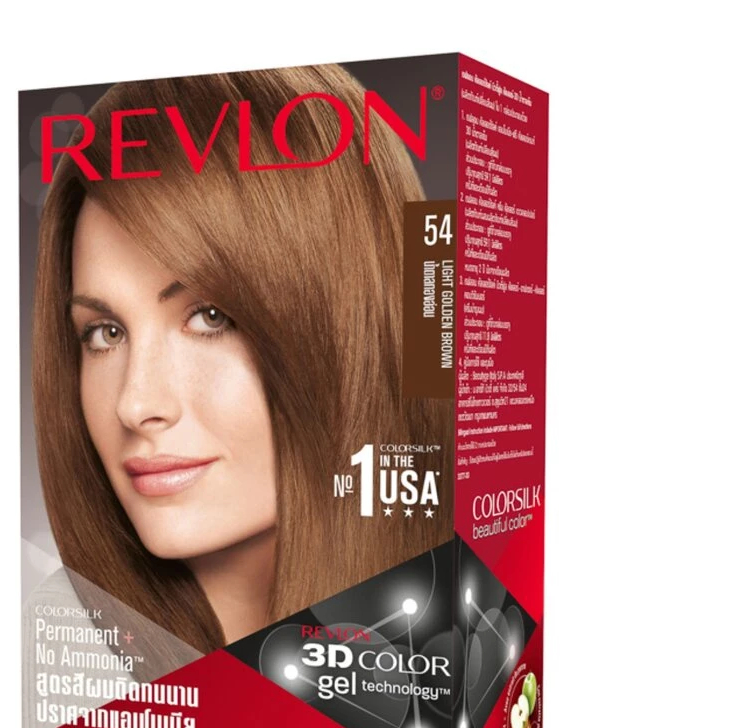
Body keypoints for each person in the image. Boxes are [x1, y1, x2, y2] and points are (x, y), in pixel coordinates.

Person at [32, 63, 452, 652]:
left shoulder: (465, 642)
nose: (135, 403)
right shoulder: (58, 669)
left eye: (210, 317)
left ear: (350, 326)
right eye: (105, 333)